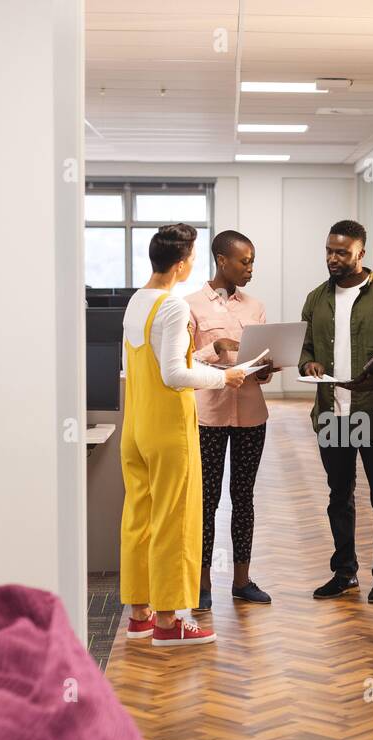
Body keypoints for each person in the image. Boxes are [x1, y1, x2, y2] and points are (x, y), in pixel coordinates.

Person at [120, 223, 247, 646]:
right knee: (174, 519)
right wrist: (223, 377)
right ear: (179, 264)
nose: (195, 263)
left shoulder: (137, 301)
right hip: (168, 428)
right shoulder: (172, 307)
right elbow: (175, 374)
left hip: (135, 427)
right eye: (192, 256)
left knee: (140, 515)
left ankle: (140, 613)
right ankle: (170, 623)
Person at [299, 219, 373, 604]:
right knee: (339, 495)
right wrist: (308, 364)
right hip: (331, 413)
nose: (333, 258)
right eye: (329, 251)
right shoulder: (317, 298)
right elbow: (305, 345)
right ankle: (344, 573)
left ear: (361, 253)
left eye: (342, 252)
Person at [186, 230, 273, 611]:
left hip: (252, 414)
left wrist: (268, 367)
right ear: (222, 260)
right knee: (206, 501)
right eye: (244, 261)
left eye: (252, 260)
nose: (250, 268)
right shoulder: (189, 305)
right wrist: (214, 348)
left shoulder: (255, 307)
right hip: (208, 415)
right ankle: (202, 583)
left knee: (244, 497)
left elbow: (261, 362)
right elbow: (183, 362)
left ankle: (242, 580)